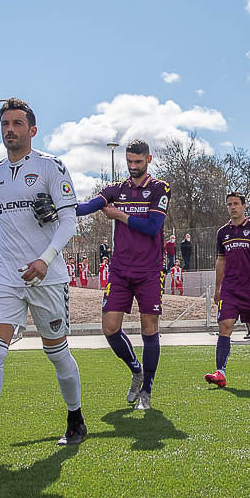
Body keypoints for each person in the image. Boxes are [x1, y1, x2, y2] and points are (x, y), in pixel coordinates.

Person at [0, 98, 86, 463]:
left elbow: (69, 221)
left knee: (56, 352)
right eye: (5, 123)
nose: (10, 129)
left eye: (18, 123)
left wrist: (45, 259)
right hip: (7, 278)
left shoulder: (52, 167)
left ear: (32, 129)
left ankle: (76, 419)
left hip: (48, 276)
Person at [77, 139, 170, 410]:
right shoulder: (117, 189)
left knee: (149, 329)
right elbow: (88, 206)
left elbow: (153, 227)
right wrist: (61, 207)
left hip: (150, 270)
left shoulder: (159, 188)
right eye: (129, 161)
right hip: (119, 270)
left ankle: (147, 390)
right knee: (109, 327)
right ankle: (136, 369)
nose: (133, 166)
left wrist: (119, 215)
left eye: (138, 162)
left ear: (149, 160)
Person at [205, 193, 250, 387]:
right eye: (229, 204)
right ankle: (220, 372)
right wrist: (218, 287)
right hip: (229, 289)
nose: (232, 207)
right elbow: (221, 260)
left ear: (244, 206)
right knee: (224, 327)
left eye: (236, 204)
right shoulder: (222, 232)